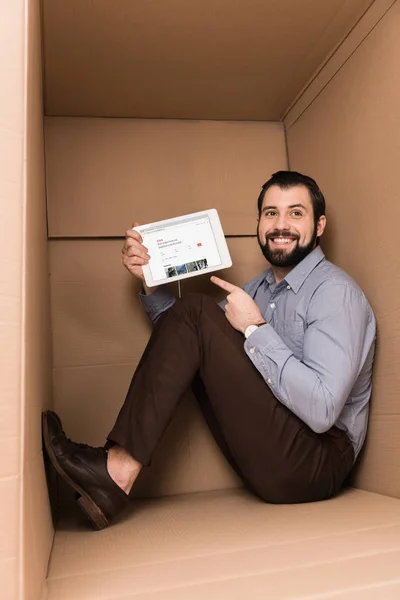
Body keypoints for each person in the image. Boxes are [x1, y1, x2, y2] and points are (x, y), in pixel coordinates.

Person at [42, 171, 376, 530]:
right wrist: (150, 279)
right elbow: (186, 341)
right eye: (270, 213)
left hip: (316, 464)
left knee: (198, 310)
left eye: (296, 213)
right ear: (259, 223)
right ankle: (114, 473)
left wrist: (254, 328)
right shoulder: (258, 289)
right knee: (194, 314)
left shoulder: (335, 293)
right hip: (269, 455)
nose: (282, 225)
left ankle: (116, 472)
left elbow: (323, 410)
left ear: (319, 224)